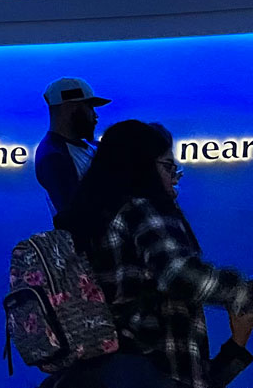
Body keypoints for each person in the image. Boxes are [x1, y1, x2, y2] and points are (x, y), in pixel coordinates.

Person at [53, 120, 253, 388]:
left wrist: (236, 347)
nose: (175, 177)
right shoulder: (142, 208)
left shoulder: (89, 219)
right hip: (148, 370)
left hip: (96, 372)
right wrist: (244, 293)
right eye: (168, 166)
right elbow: (179, 274)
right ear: (143, 166)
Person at [36, 77, 110, 218]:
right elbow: (75, 215)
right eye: (89, 106)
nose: (95, 115)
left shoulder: (89, 146)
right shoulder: (53, 157)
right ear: (69, 108)